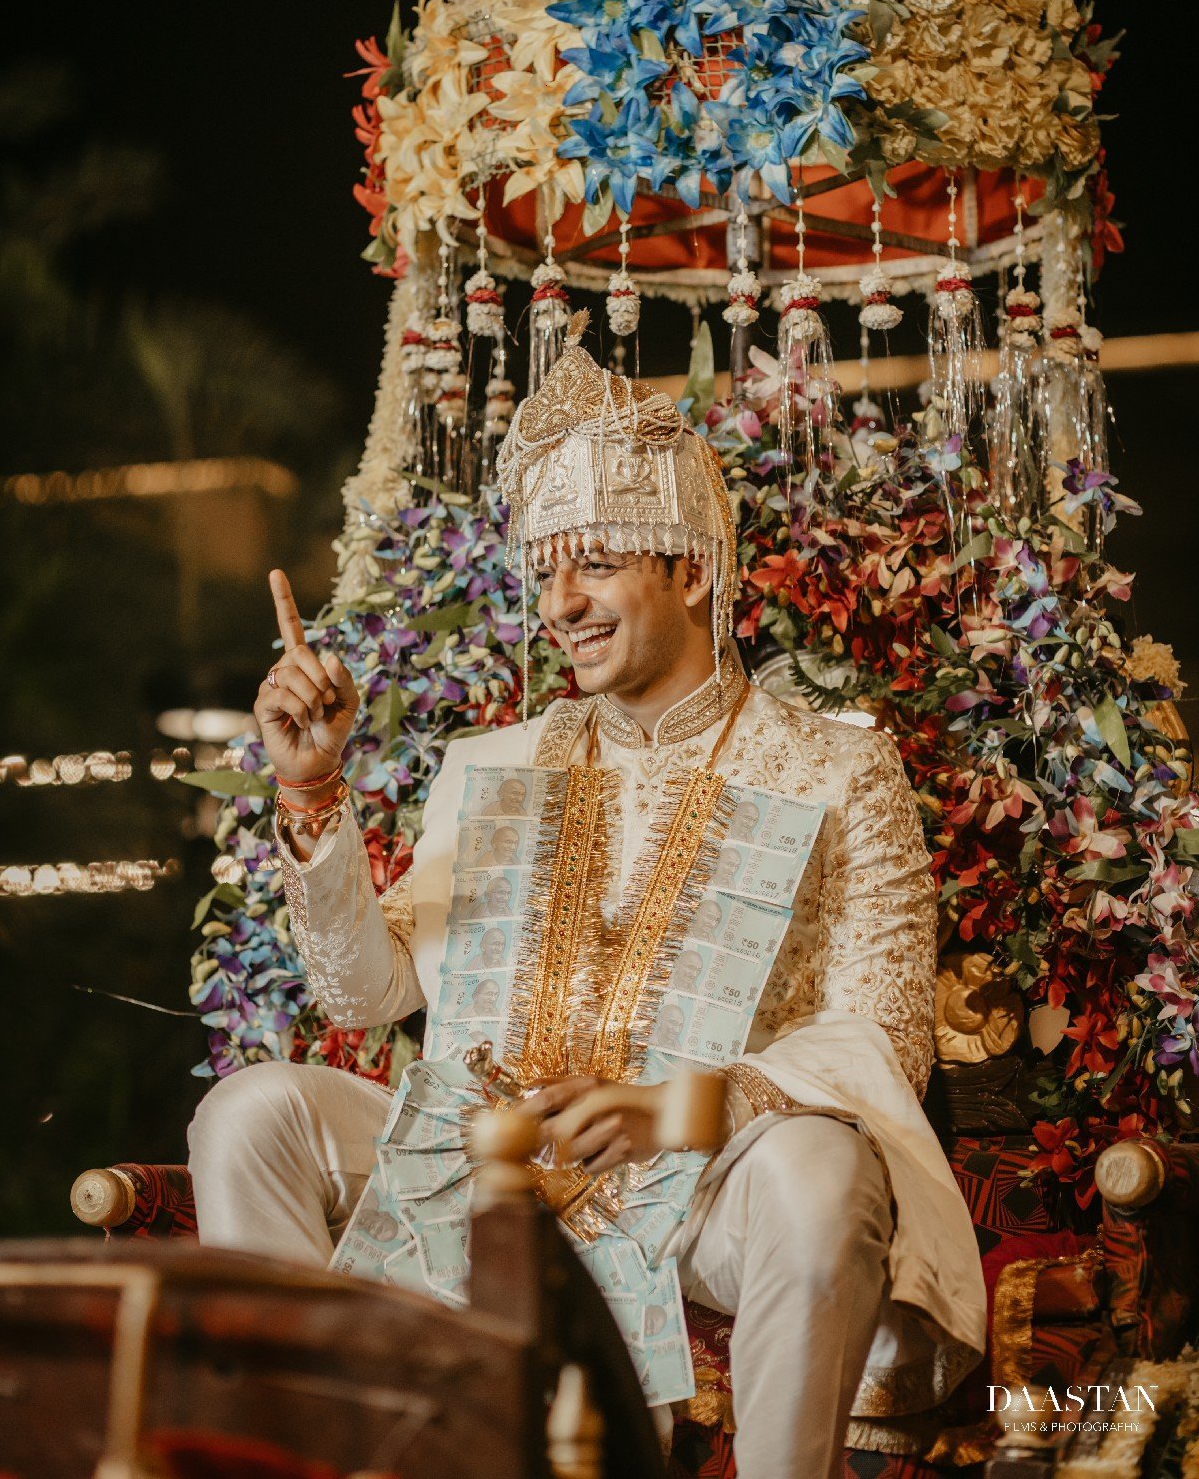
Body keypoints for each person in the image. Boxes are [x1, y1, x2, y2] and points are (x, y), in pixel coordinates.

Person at [188, 325, 987, 1479]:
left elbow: (886, 1038)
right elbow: (364, 995)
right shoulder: (495, 764)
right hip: (485, 1153)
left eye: (597, 561)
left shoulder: (831, 768)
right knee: (251, 1111)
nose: (559, 601)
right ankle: (308, 1454)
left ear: (693, 570)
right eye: (545, 569)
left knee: (824, 1169)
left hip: (706, 1177)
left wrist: (682, 1109)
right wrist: (314, 791)